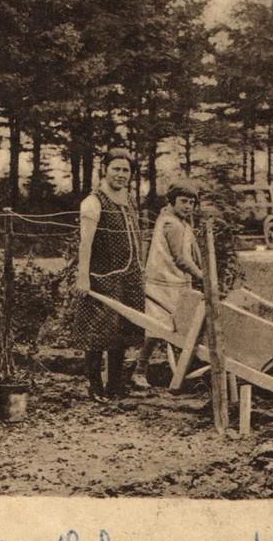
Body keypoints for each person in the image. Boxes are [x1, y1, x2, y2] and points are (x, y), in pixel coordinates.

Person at [71, 148, 145, 400]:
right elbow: (85, 243)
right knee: (98, 333)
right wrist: (83, 275)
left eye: (126, 170)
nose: (121, 175)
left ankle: (115, 384)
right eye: (116, 169)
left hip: (129, 278)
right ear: (105, 169)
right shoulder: (93, 202)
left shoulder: (130, 199)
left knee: (122, 331)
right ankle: (95, 386)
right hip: (102, 277)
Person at [132, 181, 203, 388]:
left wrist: (202, 270)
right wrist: (203, 277)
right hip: (164, 284)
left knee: (183, 330)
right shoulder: (172, 224)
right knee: (156, 330)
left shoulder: (180, 223)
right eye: (183, 201)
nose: (188, 206)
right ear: (171, 201)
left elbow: (195, 254)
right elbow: (181, 259)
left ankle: (182, 373)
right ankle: (139, 371)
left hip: (175, 284)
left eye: (192, 202)